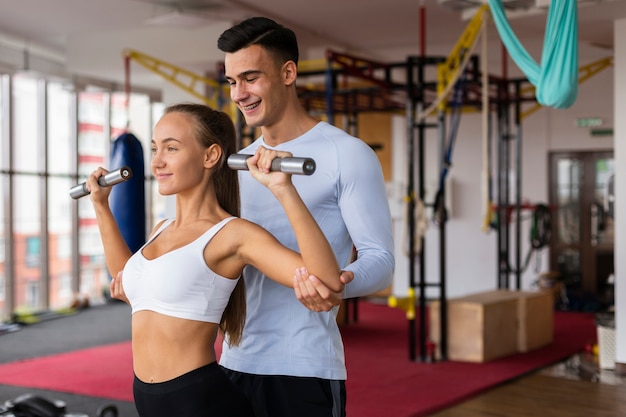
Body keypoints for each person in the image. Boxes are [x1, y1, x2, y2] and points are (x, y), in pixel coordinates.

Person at [85, 103, 344, 417]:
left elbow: (326, 280)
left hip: (199, 400)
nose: (157, 161)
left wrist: (283, 189)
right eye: (155, 148)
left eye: (171, 148)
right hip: (148, 398)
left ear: (210, 156)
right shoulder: (161, 230)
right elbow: (125, 280)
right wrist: (101, 206)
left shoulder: (232, 234)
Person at [217, 16, 395, 417]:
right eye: (232, 82)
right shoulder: (237, 165)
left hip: (304, 366)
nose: (239, 94)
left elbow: (380, 261)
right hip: (234, 361)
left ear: (288, 72)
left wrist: (337, 285)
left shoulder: (345, 154)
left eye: (250, 78)